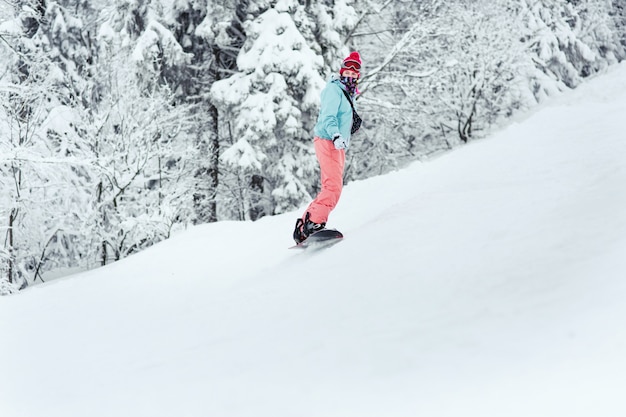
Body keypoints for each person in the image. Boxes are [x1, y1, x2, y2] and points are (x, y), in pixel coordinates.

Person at [293, 51, 362, 244]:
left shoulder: (348, 93)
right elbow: (328, 117)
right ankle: (314, 223)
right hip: (329, 140)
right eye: (347, 72)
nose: (351, 76)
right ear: (341, 72)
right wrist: (336, 134)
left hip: (337, 144)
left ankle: (304, 227)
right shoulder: (334, 90)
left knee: (331, 186)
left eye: (355, 74)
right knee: (333, 187)